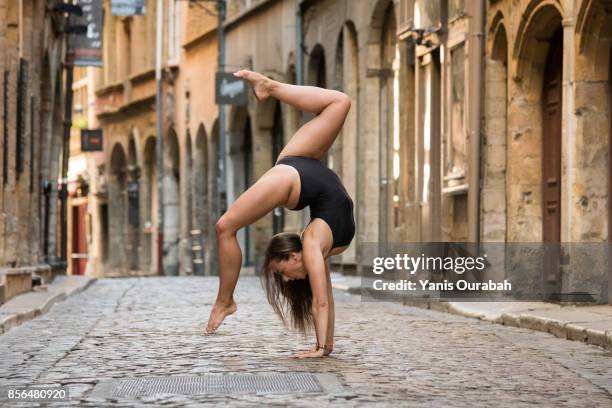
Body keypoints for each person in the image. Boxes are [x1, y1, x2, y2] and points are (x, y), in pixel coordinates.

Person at [206, 69, 354, 359]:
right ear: (294, 256)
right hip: (298, 168)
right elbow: (323, 301)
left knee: (225, 227)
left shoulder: (314, 242)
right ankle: (225, 301)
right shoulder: (313, 244)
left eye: (280, 274)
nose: (286, 280)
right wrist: (323, 348)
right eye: (281, 275)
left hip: (295, 173)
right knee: (225, 227)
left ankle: (270, 86)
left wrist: (321, 349)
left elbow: (323, 300)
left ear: (294, 256)